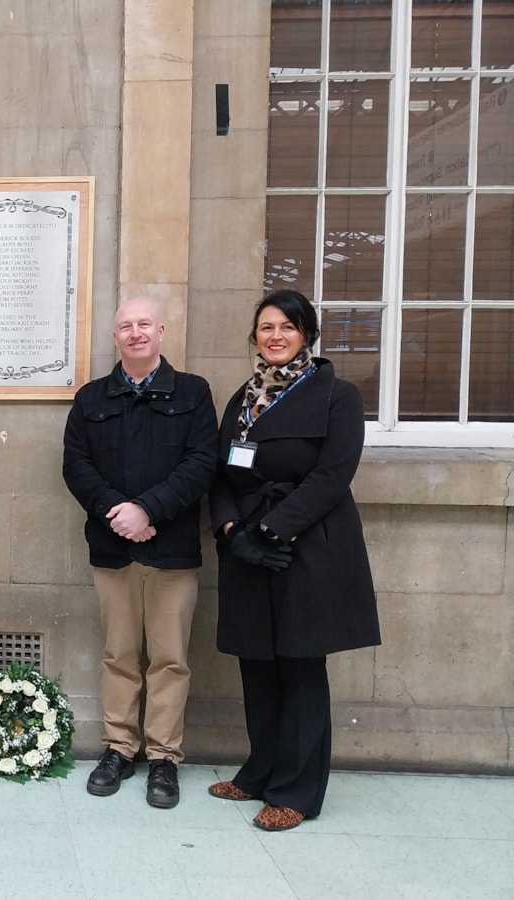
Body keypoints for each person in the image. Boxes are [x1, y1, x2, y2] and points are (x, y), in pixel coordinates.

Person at [207, 289, 380, 831]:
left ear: (307, 333)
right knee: (257, 664)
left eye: (287, 326)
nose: (275, 336)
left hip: (305, 549)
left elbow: (332, 475)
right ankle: (260, 771)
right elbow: (220, 473)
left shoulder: (337, 395)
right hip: (248, 551)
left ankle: (298, 791)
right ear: (254, 337)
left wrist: (270, 529)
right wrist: (233, 530)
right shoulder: (243, 398)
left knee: (300, 669)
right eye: (266, 328)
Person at [62, 297, 218, 809]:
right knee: (120, 655)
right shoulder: (90, 399)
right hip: (113, 549)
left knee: (170, 659)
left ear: (161, 331)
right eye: (125, 326)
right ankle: (118, 747)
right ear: (114, 336)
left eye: (144, 324)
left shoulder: (193, 394)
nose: (135, 333)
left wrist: (148, 510)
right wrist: (119, 513)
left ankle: (164, 758)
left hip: (171, 551)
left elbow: (201, 464)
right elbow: (76, 467)